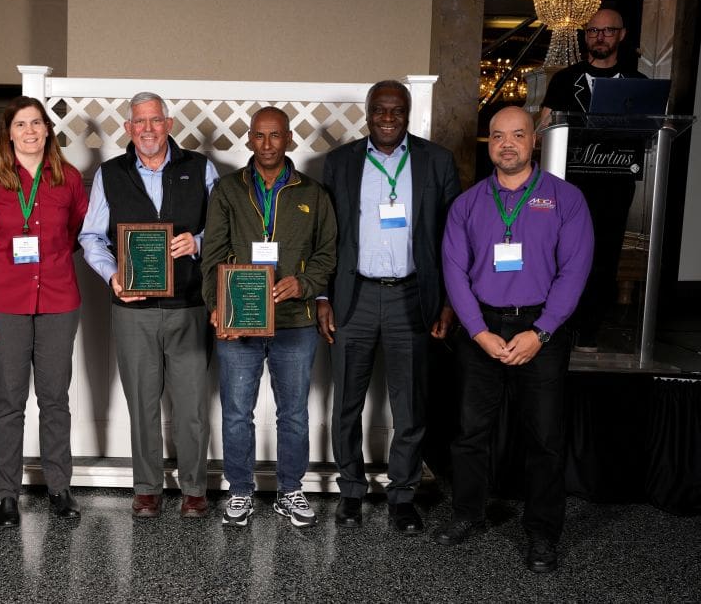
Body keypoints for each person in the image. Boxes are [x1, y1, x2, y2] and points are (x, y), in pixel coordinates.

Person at [434, 106, 592, 574]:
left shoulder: (566, 199)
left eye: (518, 135)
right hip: (480, 328)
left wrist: (541, 332)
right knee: (470, 433)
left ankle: (542, 532)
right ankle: (468, 513)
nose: (507, 144)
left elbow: (575, 270)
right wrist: (477, 331)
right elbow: (454, 271)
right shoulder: (467, 204)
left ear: (533, 141)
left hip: (541, 329)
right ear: (489, 143)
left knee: (544, 438)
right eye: (498, 136)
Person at [318, 80, 461, 534]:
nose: (387, 117)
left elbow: (453, 238)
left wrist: (449, 301)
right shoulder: (340, 162)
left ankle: (403, 495)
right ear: (367, 113)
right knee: (347, 404)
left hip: (412, 298)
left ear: (408, 113)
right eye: (379, 109)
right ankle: (350, 491)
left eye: (397, 110)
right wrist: (323, 296)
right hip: (353, 297)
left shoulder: (436, 160)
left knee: (410, 407)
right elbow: (325, 236)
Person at [79, 92, 218, 518]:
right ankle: (146, 489)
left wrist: (197, 242)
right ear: (128, 129)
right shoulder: (110, 173)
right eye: (139, 122)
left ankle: (194, 488)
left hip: (190, 304)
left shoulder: (200, 167)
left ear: (169, 124)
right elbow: (91, 237)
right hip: (133, 310)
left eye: (155, 120)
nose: (147, 129)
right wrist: (112, 276)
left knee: (192, 405)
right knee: (141, 403)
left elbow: (223, 229)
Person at [201, 107, 337, 527]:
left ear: (289, 139)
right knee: (236, 412)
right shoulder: (228, 189)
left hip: (295, 321)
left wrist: (304, 284)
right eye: (259, 135)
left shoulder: (313, 193)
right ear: (249, 139)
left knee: (293, 413)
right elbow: (212, 254)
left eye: (275, 135)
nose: (267, 144)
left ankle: (290, 490)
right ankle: (240, 491)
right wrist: (217, 306)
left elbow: (327, 253)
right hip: (240, 320)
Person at [0, 96, 89, 527]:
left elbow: (77, 230)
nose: (30, 131)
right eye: (21, 124)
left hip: (58, 303)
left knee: (55, 400)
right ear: (9, 133)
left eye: (37, 122)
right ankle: (6, 494)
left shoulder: (68, 178)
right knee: (8, 401)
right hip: (5, 306)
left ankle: (59, 488)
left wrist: (49, 258)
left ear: (48, 130)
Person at [538, 8, 646, 352]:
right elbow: (542, 129)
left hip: (615, 185)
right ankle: (556, 328)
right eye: (593, 31)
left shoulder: (638, 84)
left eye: (608, 31)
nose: (600, 37)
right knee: (562, 256)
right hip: (569, 184)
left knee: (604, 258)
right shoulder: (565, 79)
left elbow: (650, 132)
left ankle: (588, 332)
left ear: (621, 35)